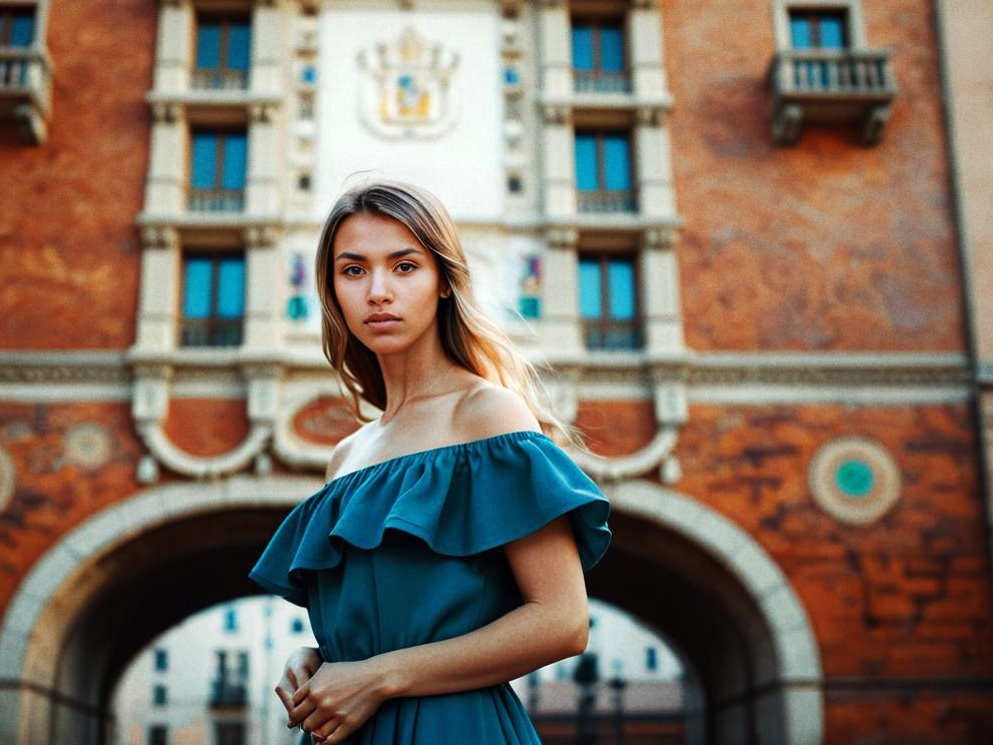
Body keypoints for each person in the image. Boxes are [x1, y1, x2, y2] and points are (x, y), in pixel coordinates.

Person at [248, 177, 612, 744]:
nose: (377, 291)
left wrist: (377, 676)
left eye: (404, 266)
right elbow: (399, 615)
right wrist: (321, 657)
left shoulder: (487, 414)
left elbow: (562, 621)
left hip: (454, 728)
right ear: (333, 291)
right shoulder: (347, 456)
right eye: (353, 270)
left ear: (444, 282)